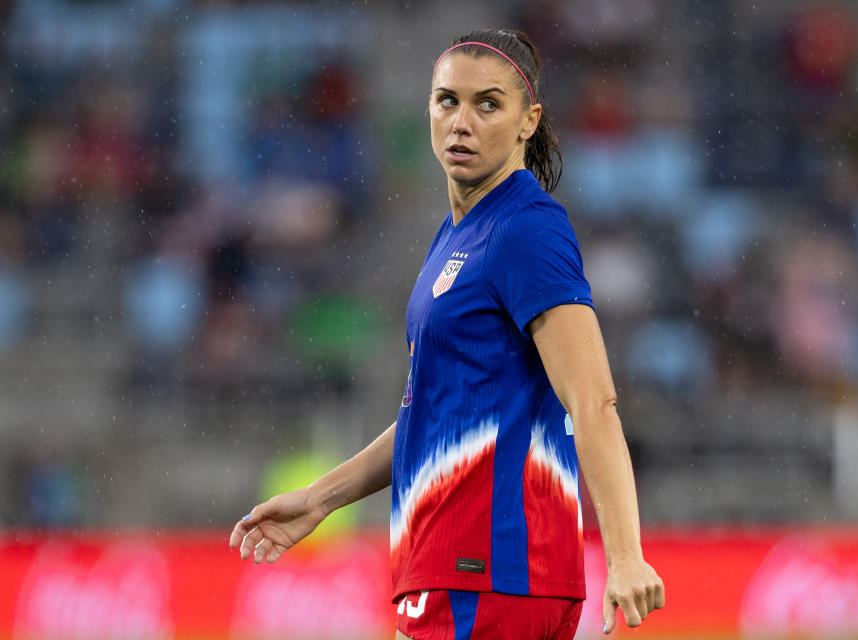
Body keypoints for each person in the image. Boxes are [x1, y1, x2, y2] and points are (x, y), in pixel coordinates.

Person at [229, 28, 665, 639]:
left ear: (528, 121)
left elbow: (592, 400)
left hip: (489, 573)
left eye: (488, 104)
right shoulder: (456, 237)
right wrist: (322, 497)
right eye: (447, 101)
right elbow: (431, 408)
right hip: (454, 571)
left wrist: (624, 552)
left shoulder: (525, 229)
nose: (462, 121)